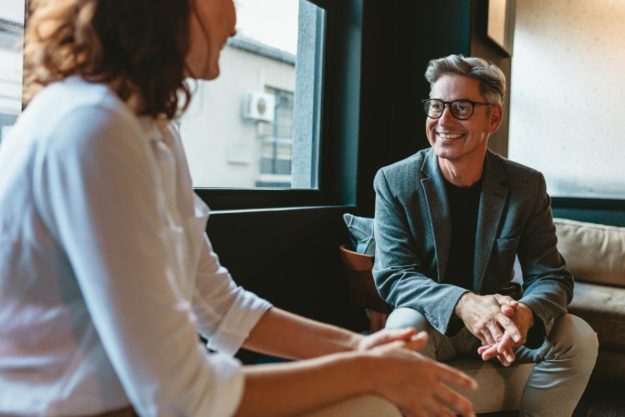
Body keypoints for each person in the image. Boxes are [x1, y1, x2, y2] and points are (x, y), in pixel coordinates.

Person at [0, 1, 479, 417]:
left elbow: (218, 304)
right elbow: (182, 399)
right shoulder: (92, 129)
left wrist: (364, 347)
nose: (235, 21)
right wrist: (366, 370)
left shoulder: (153, 130)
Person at [372, 54, 599, 417]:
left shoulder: (526, 185)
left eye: (461, 107)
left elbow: (552, 276)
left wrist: (526, 312)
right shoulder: (395, 181)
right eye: (436, 106)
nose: (443, 120)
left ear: (493, 118)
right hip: (433, 322)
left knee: (580, 336)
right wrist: (465, 302)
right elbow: (394, 275)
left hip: (504, 324)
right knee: (402, 326)